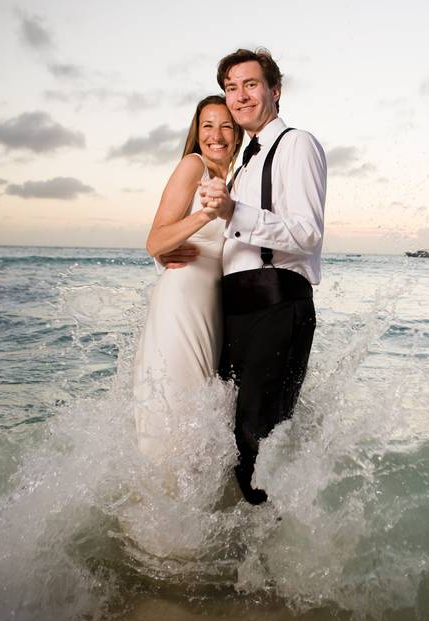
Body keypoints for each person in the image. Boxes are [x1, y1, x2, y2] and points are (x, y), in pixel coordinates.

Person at [165, 48, 326, 504]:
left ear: (275, 90)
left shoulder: (297, 144)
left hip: (277, 305)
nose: (240, 96)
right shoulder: (243, 166)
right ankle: (236, 555)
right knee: (228, 441)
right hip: (235, 314)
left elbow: (307, 234)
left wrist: (235, 212)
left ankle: (270, 561)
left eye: (251, 84)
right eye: (231, 87)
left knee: (259, 442)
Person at [132, 95, 242, 468]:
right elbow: (155, 242)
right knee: (172, 416)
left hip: (212, 308)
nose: (216, 135)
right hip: (180, 304)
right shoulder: (193, 166)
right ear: (197, 133)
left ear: (237, 131)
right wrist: (203, 216)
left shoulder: (237, 178)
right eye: (207, 125)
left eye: (225, 125)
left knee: (200, 418)